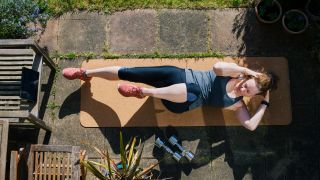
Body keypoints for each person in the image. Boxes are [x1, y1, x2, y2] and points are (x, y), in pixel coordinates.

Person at [63, 62, 278, 131]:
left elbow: (250, 126)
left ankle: (142, 92)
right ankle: (85, 74)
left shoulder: (237, 105)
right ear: (248, 76)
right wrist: (248, 72)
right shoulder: (235, 72)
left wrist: (265, 103)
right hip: (177, 76)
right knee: (131, 72)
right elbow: (216, 66)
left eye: (248, 91)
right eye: (245, 83)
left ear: (253, 96)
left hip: (181, 101)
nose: (243, 88)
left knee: (192, 91)